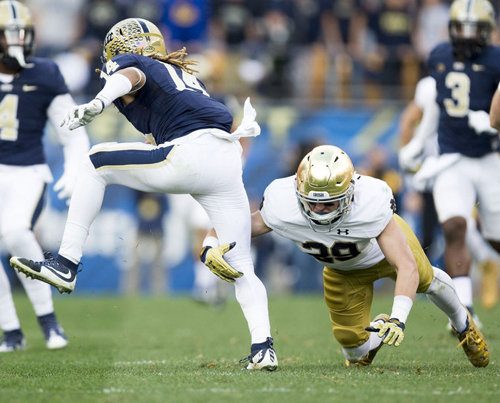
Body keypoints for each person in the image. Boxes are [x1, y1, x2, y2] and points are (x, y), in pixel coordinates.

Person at [9, 17, 277, 371]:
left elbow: (129, 76)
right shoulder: (180, 76)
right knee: (242, 263)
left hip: (191, 154)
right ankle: (264, 348)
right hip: (225, 160)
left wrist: (100, 101)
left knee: (94, 161)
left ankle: (66, 263)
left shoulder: (136, 64)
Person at [202, 145, 489, 368]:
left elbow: (405, 266)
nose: (319, 210)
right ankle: (374, 334)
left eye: (329, 203)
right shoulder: (282, 202)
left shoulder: (370, 200)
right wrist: (211, 242)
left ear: (350, 193)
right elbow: (240, 222)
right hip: (342, 272)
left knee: (426, 277)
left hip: (381, 253)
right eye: (312, 202)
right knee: (354, 353)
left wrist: (399, 318)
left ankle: (463, 324)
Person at [0, 0, 90, 352]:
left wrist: (74, 165)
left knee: (15, 233)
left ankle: (48, 321)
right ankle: (11, 331)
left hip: (27, 171)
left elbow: (72, 126)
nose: (18, 42)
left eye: (22, 34)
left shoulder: (44, 72)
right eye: (10, 36)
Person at [423, 0, 500, 320]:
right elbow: (434, 103)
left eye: (474, 29)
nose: (467, 36)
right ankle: (465, 313)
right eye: (461, 28)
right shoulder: (439, 56)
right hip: (452, 157)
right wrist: (418, 144)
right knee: (454, 226)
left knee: (496, 239)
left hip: (490, 157)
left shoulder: (496, 60)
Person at [399, 75, 500, 312]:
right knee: (439, 232)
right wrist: (410, 171)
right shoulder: (430, 84)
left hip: (461, 164)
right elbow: (409, 121)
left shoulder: (486, 71)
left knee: (459, 225)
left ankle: (483, 266)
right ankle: (464, 288)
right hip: (434, 167)